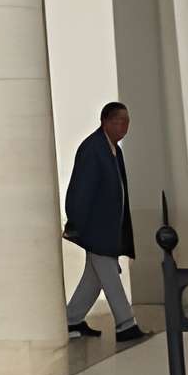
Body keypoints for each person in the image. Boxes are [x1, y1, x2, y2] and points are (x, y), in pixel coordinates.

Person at [63, 100, 149, 346]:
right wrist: (80, 224)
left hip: (108, 227)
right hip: (96, 228)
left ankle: (71, 319)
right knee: (109, 274)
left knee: (94, 277)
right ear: (105, 122)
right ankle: (126, 324)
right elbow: (80, 192)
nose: (124, 126)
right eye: (118, 121)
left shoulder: (113, 149)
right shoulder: (93, 149)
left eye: (127, 122)